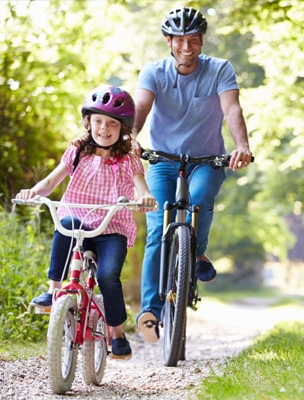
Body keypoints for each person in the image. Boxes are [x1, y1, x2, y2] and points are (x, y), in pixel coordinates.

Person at [131, 7, 253, 343]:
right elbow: (141, 107)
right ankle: (150, 311)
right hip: (163, 160)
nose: (187, 47)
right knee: (158, 226)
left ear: (201, 42)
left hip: (207, 159)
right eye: (180, 40)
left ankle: (196, 251)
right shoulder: (154, 72)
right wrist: (131, 137)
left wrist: (241, 145)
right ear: (169, 41)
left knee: (199, 201)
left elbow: (232, 109)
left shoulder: (219, 70)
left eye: (194, 40)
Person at [15, 85, 156, 359]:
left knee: (106, 276)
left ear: (123, 128)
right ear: (88, 123)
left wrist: (147, 198)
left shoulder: (128, 160)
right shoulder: (77, 152)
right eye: (98, 121)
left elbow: (142, 188)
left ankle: (116, 333)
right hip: (78, 224)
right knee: (65, 221)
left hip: (111, 229)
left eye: (112, 123)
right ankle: (54, 290)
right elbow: (51, 182)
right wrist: (33, 192)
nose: (104, 128)